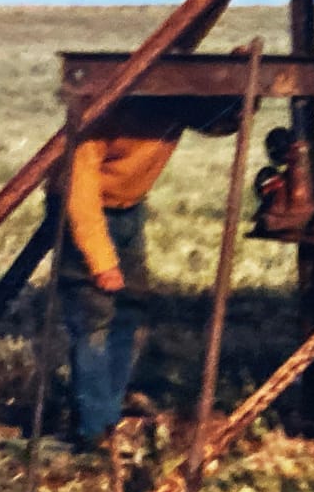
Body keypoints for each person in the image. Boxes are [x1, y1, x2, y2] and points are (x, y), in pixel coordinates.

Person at [56, 95, 235, 450]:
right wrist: (101, 260)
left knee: (129, 314)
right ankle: (94, 431)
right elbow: (79, 189)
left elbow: (214, 121)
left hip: (129, 209)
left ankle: (110, 417)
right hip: (87, 212)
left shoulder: (174, 102)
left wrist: (242, 101)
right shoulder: (103, 112)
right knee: (94, 319)